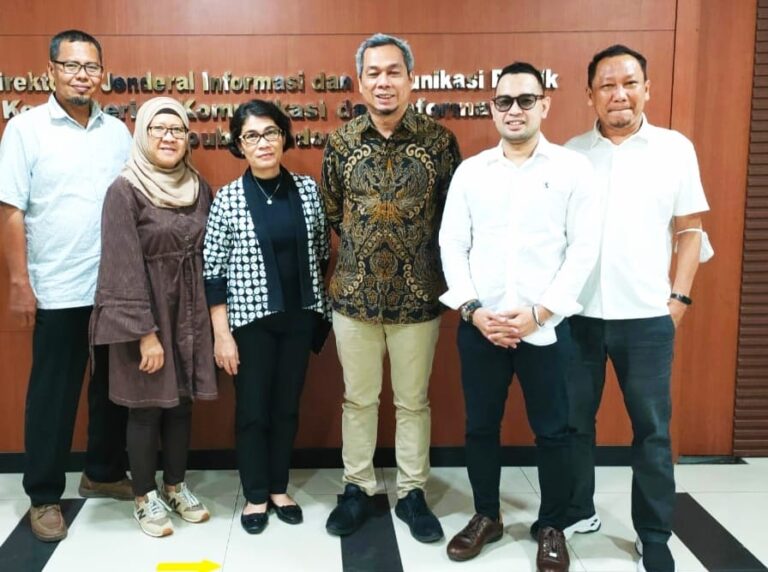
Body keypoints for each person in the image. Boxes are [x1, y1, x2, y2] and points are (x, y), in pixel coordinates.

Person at [439, 61, 600, 572]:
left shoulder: (573, 169)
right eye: (504, 101)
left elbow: (583, 250)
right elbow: (452, 243)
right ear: (493, 109)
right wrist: (472, 310)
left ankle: (551, 525)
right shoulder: (472, 172)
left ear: (544, 105)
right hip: (481, 326)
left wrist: (541, 312)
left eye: (526, 100)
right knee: (480, 428)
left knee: (554, 432)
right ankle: (486, 515)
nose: (515, 110)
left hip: (546, 328)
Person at [560, 45, 710, 572]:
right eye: (607, 85)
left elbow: (690, 230)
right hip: (577, 317)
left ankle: (654, 534)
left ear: (647, 88)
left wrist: (679, 300)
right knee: (574, 424)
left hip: (647, 318)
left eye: (629, 83)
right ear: (590, 95)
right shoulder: (571, 154)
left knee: (652, 431)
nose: (618, 94)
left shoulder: (674, 150)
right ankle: (578, 512)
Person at [321, 33, 461, 543]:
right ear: (361, 82)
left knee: (413, 402)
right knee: (358, 400)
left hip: (418, 297)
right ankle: (357, 487)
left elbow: (451, 216)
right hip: (354, 298)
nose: (384, 82)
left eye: (393, 71)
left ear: (410, 79)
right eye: (374, 73)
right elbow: (334, 211)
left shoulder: (440, 142)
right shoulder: (340, 143)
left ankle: (412, 492)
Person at [0, 29, 132, 542]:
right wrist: (19, 281)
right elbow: (10, 209)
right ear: (51, 70)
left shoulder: (116, 132)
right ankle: (43, 495)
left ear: (102, 73)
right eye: (72, 65)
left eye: (91, 66)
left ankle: (102, 471)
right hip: (56, 286)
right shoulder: (25, 130)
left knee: (112, 390)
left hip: (113, 287)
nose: (82, 75)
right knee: (53, 395)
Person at [90, 96, 218, 537]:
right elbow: (121, 266)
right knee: (145, 409)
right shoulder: (124, 190)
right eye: (158, 129)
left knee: (181, 403)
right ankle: (144, 497)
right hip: (146, 315)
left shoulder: (199, 187)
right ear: (142, 135)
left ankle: (175, 486)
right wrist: (145, 334)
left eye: (177, 129)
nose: (168, 137)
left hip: (190, 314)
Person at [204, 99, 331, 535]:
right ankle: (256, 493)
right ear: (239, 144)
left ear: (283, 136)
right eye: (252, 136)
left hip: (299, 319)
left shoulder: (307, 190)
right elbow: (213, 272)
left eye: (270, 132)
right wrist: (222, 334)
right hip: (250, 324)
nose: (263, 143)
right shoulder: (228, 198)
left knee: (286, 408)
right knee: (253, 410)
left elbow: (321, 251)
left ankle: (279, 488)